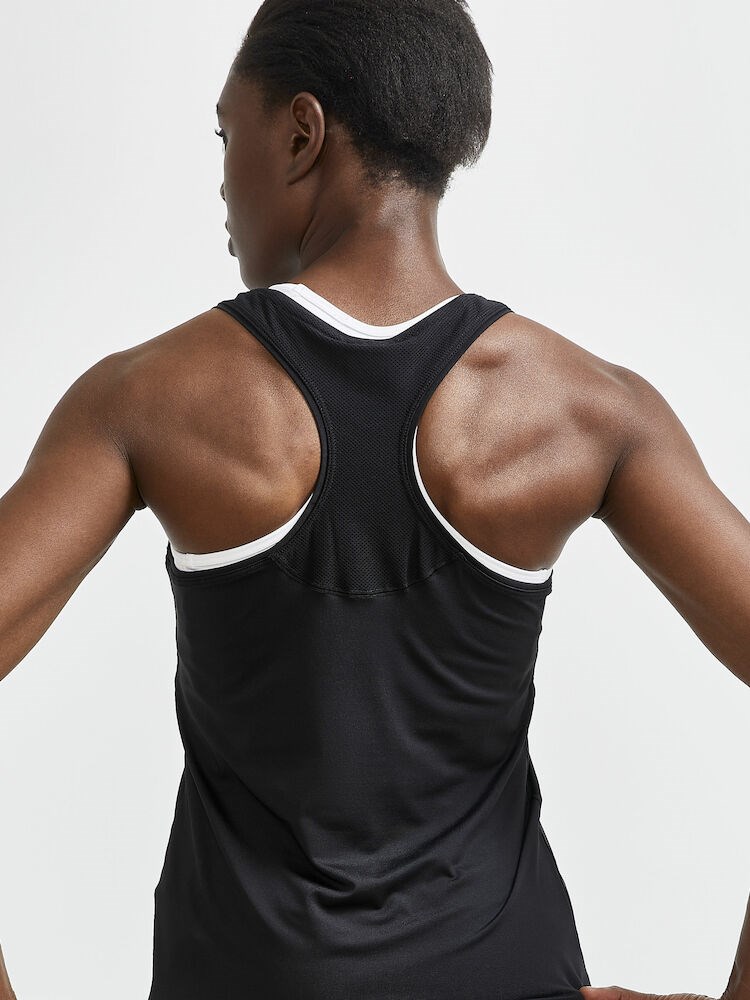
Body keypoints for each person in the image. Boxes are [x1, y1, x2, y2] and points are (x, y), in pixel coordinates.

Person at [1, 1, 748, 998]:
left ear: (301, 133)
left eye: (227, 134)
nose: (221, 180)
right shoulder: (587, 410)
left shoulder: (151, 399)